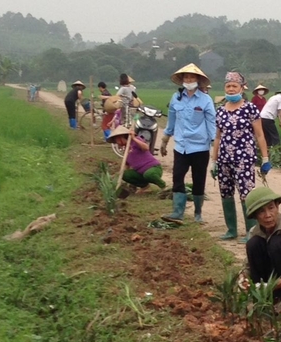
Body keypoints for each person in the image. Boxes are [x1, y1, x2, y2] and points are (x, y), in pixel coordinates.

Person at [211, 71, 272, 243]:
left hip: (244, 159)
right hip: (224, 160)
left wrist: (265, 158)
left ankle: (250, 231)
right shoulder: (221, 111)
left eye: (234, 86)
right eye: (228, 86)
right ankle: (231, 230)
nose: (230, 89)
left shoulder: (250, 109)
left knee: (246, 195)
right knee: (226, 193)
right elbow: (217, 137)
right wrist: (214, 161)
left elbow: (259, 135)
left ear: (241, 88)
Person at [160, 63, 216, 224]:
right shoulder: (175, 98)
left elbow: (211, 124)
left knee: (199, 179)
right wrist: (164, 140)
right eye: (186, 77)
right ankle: (177, 212)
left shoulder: (205, 100)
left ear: (198, 80)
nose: (189, 79)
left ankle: (198, 213)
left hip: (199, 147)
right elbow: (171, 121)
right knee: (178, 176)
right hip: (181, 146)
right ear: (182, 80)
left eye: (192, 77)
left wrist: (214, 146)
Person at [108, 126, 166, 193]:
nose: (116, 142)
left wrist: (134, 138)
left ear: (120, 137)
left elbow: (146, 148)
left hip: (153, 168)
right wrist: (118, 176)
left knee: (149, 174)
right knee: (125, 174)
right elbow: (126, 166)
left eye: (116, 140)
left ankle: (163, 186)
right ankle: (145, 186)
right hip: (141, 173)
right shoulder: (126, 150)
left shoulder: (135, 140)